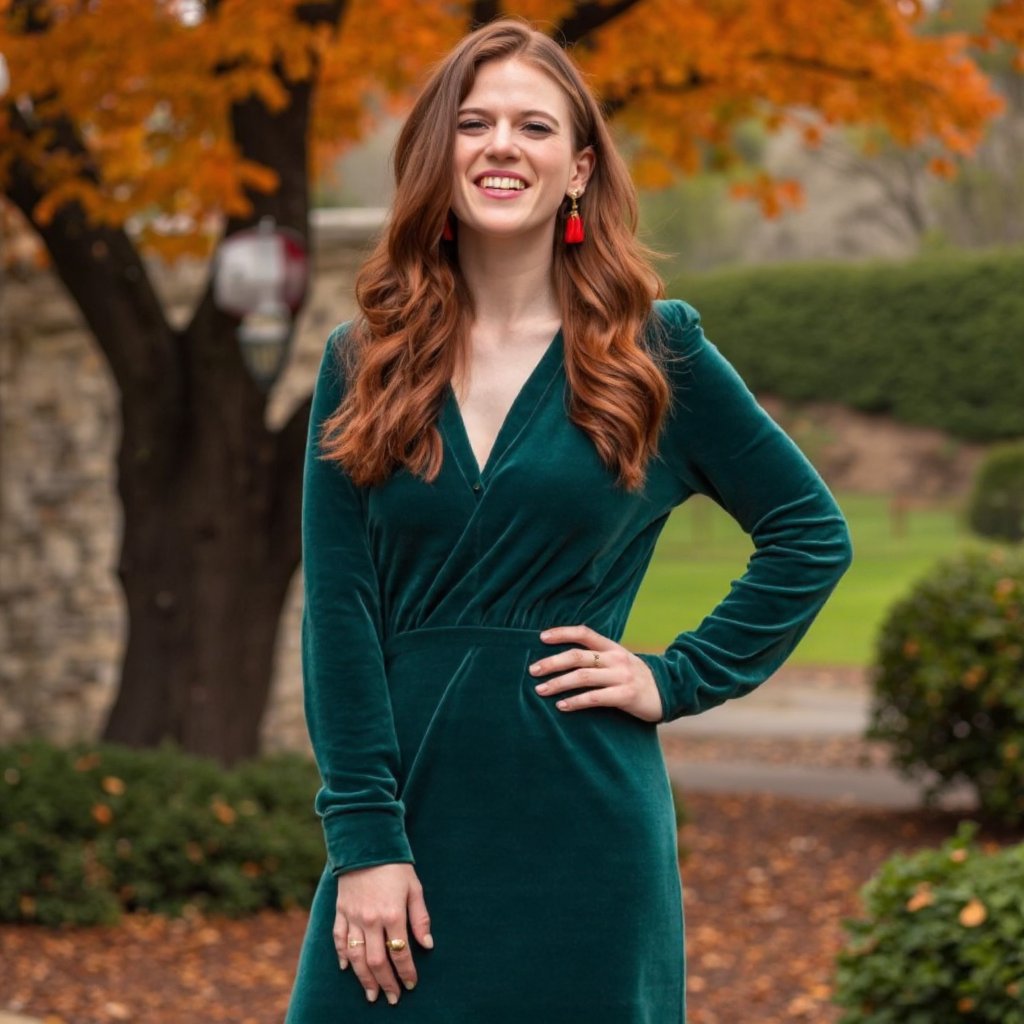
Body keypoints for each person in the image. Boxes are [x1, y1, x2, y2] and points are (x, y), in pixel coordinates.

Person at [284, 16, 853, 1023]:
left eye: (534, 126)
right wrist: (365, 840)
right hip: (404, 823)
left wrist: (673, 675)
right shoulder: (358, 362)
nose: (502, 145)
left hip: (584, 834)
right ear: (438, 154)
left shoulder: (653, 352)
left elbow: (809, 532)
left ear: (579, 168)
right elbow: (338, 615)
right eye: (474, 122)